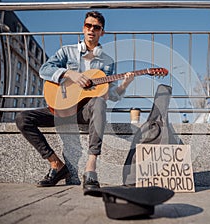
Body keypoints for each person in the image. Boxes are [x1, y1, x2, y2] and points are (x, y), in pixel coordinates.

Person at [16, 11, 134, 190]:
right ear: (83, 29)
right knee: (23, 119)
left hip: (82, 111)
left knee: (100, 102)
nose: (91, 30)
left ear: (102, 32)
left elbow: (111, 95)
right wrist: (69, 73)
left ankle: (91, 169)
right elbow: (44, 69)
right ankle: (56, 165)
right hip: (59, 108)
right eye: (88, 26)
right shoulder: (67, 51)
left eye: (96, 27)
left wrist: (124, 84)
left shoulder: (108, 62)